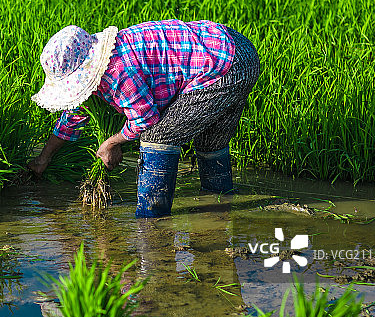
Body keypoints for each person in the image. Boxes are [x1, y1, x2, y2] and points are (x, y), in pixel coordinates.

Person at [27, 19, 260, 217]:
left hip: (222, 66)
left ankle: (152, 222)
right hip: (236, 50)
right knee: (211, 141)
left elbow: (145, 119)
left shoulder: (116, 71)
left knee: (158, 135)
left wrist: (112, 143)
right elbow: (73, 116)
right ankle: (219, 210)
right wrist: (44, 158)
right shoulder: (106, 57)